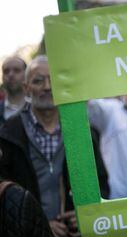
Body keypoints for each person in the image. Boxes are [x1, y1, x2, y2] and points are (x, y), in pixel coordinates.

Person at [0, 55, 79, 237]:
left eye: (53, 81)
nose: (47, 87)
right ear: (27, 89)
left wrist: (86, 212)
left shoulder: (81, 130)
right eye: (38, 81)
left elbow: (100, 180)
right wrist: (38, 220)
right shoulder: (8, 134)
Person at [0, 56, 27, 126]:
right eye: (6, 71)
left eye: (17, 70)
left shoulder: (38, 107)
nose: (10, 75)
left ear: (26, 74)